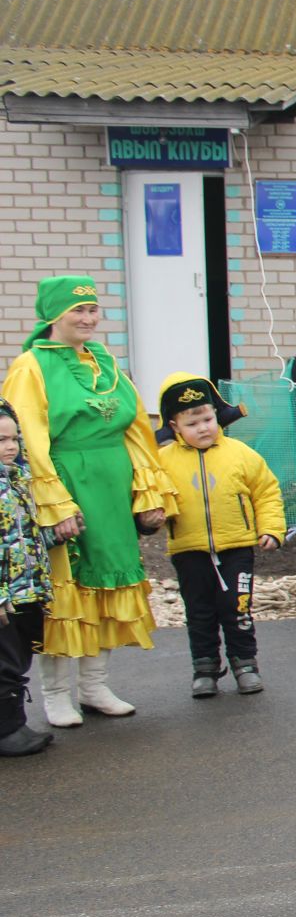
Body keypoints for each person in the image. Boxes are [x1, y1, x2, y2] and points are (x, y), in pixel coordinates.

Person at [1, 276, 175, 727]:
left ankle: (94, 684)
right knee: (66, 591)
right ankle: (56, 694)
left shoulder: (106, 361)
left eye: (93, 309)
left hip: (111, 489)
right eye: (77, 311)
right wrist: (54, 503)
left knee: (105, 585)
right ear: (53, 315)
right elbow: (30, 438)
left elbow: (136, 428)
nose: (87, 319)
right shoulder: (30, 366)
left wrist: (147, 492)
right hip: (67, 481)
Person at [154, 373, 286, 698]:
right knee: (199, 611)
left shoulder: (240, 453)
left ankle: (245, 664)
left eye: (208, 419)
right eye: (192, 423)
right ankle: (205, 668)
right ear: (174, 427)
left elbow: (266, 492)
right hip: (188, 549)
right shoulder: (162, 462)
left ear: (217, 416)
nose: (203, 428)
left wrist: (270, 528)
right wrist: (153, 514)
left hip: (237, 546)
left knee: (236, 606)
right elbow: (151, 497)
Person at [0, 399, 54, 757]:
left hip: (25, 591)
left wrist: (55, 536)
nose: (9, 447)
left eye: (13, 439)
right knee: (4, 663)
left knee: (18, 655)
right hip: (5, 595)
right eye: (0, 440)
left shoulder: (18, 480)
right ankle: (8, 730)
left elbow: (21, 534)